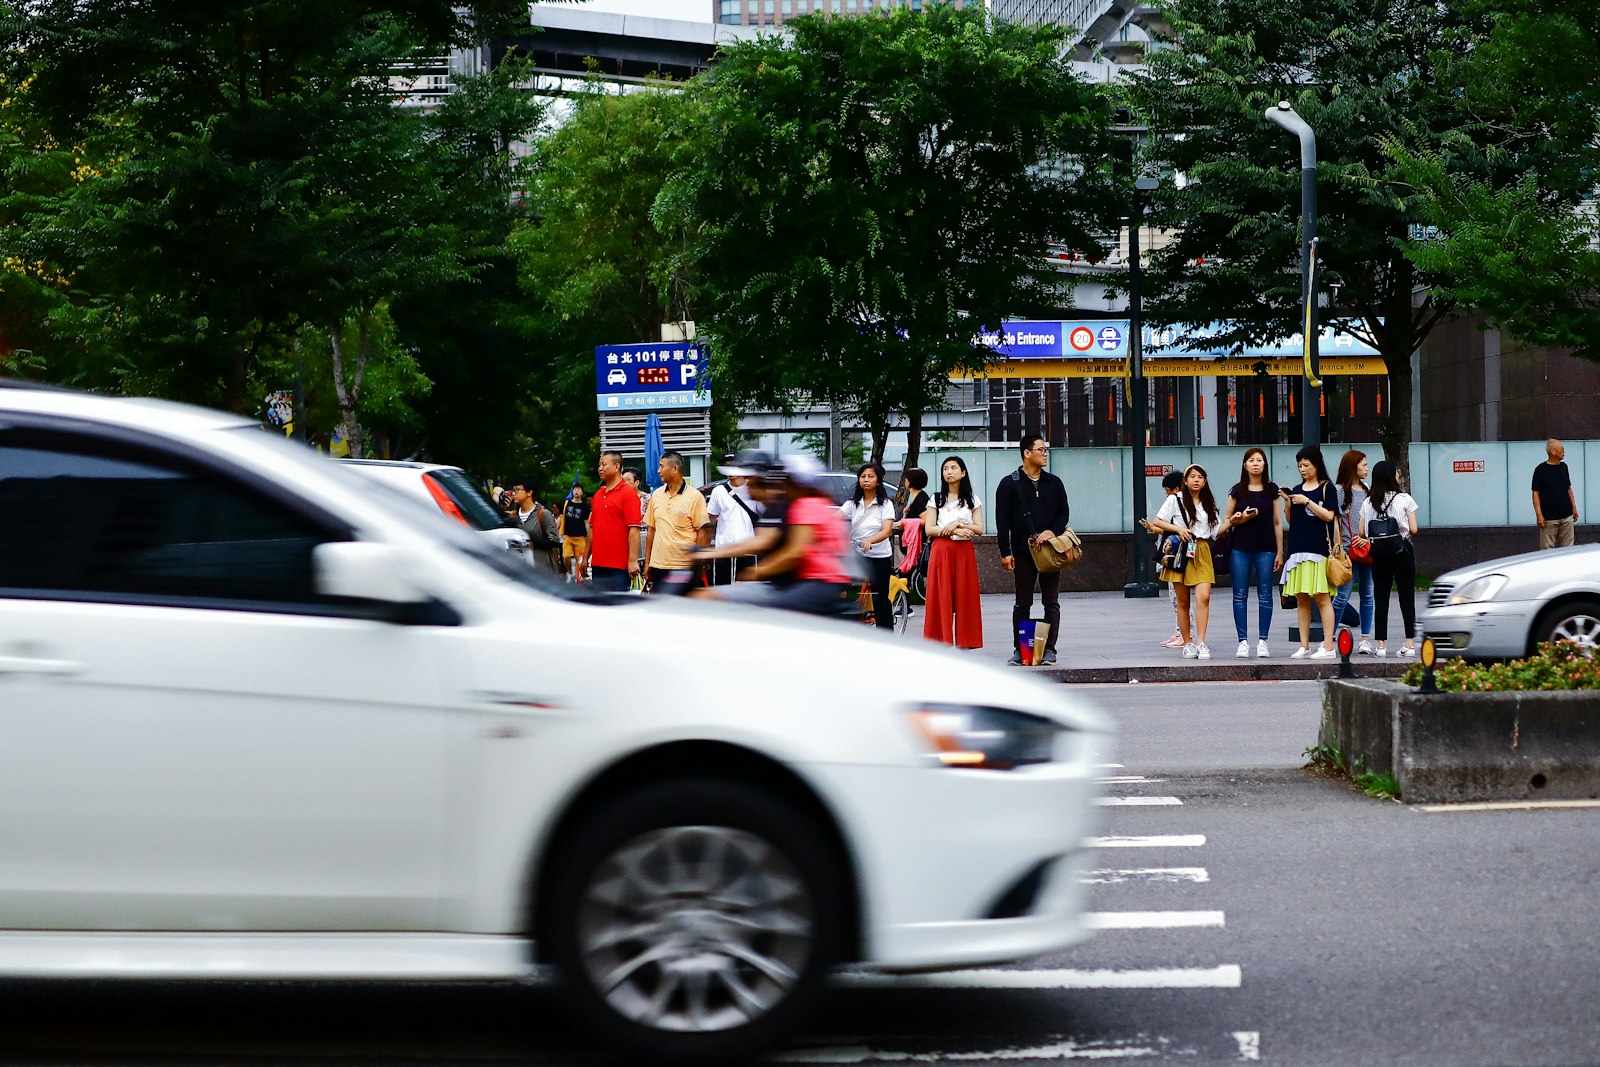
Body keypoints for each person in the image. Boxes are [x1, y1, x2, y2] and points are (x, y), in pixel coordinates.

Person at [693, 452, 857, 615]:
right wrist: (710, 553)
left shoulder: (805, 505)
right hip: (796, 583)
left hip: (815, 584)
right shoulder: (791, 505)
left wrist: (758, 571)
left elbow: (794, 552)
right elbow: (762, 540)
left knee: (710, 597)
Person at [995, 433, 1070, 666]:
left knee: (1051, 602)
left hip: (1050, 551)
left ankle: (1049, 649)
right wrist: (1005, 552)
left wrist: (1052, 532)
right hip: (1022, 551)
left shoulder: (1054, 482)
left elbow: (1063, 513)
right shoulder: (1009, 483)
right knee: (1023, 602)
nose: (1044, 454)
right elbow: (1002, 521)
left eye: (1045, 450)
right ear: (1027, 453)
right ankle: (1022, 649)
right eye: (1040, 450)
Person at [1150, 463, 1224, 659]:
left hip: (1201, 550)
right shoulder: (1176, 499)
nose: (1196, 479)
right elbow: (1158, 521)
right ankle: (1187, 642)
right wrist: (1179, 529)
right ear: (1185, 480)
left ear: (1205, 481)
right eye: (1192, 476)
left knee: (1204, 596)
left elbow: (1216, 531)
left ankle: (1201, 642)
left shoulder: (1208, 502)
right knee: (1183, 601)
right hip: (1181, 551)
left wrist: (1234, 520)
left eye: (1200, 476)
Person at [1219, 448, 1283, 658]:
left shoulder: (1272, 490)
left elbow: (1276, 522)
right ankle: (1243, 642)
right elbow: (1226, 521)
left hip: (1266, 548)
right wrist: (1238, 518)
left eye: (1259, 460)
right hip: (1240, 547)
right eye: (1251, 460)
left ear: (1265, 464)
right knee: (1239, 595)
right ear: (1245, 465)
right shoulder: (1237, 490)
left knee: (1265, 595)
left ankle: (1263, 641)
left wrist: (1280, 551)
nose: (1255, 463)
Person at [1279, 447, 1340, 660]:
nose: (1303, 470)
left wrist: (1307, 501)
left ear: (1317, 465)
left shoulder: (1327, 488)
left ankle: (1329, 646)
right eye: (1300, 466)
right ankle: (1304, 646)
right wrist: (1288, 501)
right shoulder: (1297, 489)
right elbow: (1290, 520)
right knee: (1302, 599)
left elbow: (1329, 516)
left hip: (1319, 551)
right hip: (1297, 551)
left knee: (1323, 599)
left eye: (1306, 465)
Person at [1361, 459, 1422, 657]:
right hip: (1402, 552)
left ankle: (1380, 645)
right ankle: (1409, 644)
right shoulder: (1404, 499)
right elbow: (1413, 529)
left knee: (1381, 598)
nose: (1398, 475)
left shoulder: (1368, 502)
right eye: (1396, 472)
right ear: (1391, 476)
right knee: (1406, 597)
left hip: (1378, 554)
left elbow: (1362, 532)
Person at [922, 456, 984, 649]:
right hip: (941, 550)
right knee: (941, 596)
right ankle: (940, 642)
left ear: (963, 472)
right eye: (945, 469)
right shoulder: (936, 499)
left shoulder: (972, 499)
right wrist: (953, 529)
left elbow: (980, 528)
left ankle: (966, 643)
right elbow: (929, 529)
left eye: (953, 468)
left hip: (964, 551)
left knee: (966, 596)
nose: (949, 472)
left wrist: (958, 524)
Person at [642, 450, 712, 595]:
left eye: (661, 466)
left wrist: (697, 565)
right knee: (660, 609)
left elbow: (703, 533)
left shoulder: (695, 496)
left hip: (683, 566)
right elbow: (651, 530)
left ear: (674, 469)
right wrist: (648, 562)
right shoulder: (656, 495)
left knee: (681, 609)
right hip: (658, 565)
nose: (658, 470)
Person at [1329, 450, 1375, 654]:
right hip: (1347, 552)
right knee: (1341, 596)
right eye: (1363, 464)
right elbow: (1336, 522)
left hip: (1366, 550)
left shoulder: (1369, 490)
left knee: (1368, 594)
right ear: (1353, 466)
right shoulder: (1339, 491)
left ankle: (1365, 639)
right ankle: (1329, 637)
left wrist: (1366, 538)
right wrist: (1338, 546)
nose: (1367, 468)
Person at [841, 461, 896, 631]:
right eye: (863, 476)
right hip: (857, 556)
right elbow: (834, 518)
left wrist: (870, 541)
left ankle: (886, 639)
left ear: (878, 481)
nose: (866, 480)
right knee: (841, 588)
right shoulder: (852, 503)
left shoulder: (886, 504)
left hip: (879, 557)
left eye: (870, 476)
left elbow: (887, 531)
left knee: (880, 600)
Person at [1142, 470, 1189, 649]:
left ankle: (1184, 633)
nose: (1167, 494)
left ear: (1177, 488)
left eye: (1168, 490)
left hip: (1176, 555)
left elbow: (1174, 529)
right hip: (1174, 553)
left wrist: (1154, 528)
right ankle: (1180, 632)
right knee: (1176, 597)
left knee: (1179, 598)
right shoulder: (1179, 501)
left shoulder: (1177, 501)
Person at [589, 450, 642, 593]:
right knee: (598, 606)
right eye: (599, 464)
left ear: (617, 466)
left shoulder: (628, 494)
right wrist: (585, 558)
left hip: (618, 566)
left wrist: (632, 561)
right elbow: (592, 528)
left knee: (618, 607)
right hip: (598, 563)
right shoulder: (598, 494)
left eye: (604, 464)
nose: (600, 468)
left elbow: (634, 529)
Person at [705, 461, 760, 585]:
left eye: (733, 466)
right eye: (727, 467)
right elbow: (711, 518)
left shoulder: (753, 489)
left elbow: (764, 515)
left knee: (747, 592)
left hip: (748, 550)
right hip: (724, 550)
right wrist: (707, 546)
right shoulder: (718, 491)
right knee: (722, 591)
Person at [1532, 438, 1579, 550]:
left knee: (1568, 550)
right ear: (1553, 451)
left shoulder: (1564, 467)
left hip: (1566, 516)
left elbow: (1568, 489)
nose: (1564, 452)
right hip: (1549, 518)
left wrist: (1574, 507)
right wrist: (1539, 515)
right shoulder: (1540, 470)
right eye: (1561, 449)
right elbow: (1535, 493)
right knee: (1547, 550)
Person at [508, 478, 561, 573]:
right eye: (513, 490)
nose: (513, 493)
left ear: (529, 493)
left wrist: (533, 543)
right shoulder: (513, 517)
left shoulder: (543, 514)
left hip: (542, 569)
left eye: (517, 489)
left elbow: (555, 541)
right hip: (519, 570)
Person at [559, 484, 590, 582]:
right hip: (568, 536)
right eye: (575, 490)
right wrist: (560, 532)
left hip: (580, 537)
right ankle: (570, 572)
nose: (576, 491)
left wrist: (589, 536)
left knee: (579, 560)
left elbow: (586, 522)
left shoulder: (584, 507)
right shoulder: (567, 503)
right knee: (566, 556)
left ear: (582, 493)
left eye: (579, 490)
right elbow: (562, 517)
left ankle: (578, 578)